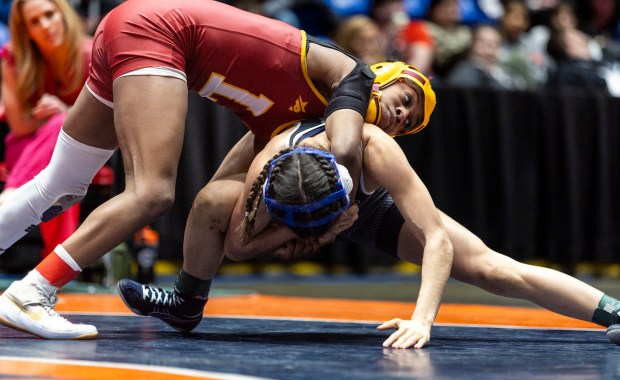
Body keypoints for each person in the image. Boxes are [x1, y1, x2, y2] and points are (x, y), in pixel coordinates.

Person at [0, 0, 436, 340]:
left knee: (62, 184)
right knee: (151, 194)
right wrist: (333, 217)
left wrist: (289, 223)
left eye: (410, 122)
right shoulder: (353, 77)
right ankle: (32, 293)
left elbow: (221, 190)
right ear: (383, 78)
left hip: (132, 28)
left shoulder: (290, 128)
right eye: (404, 100)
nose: (400, 116)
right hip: (158, 35)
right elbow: (343, 148)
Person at [117, 116, 620, 349]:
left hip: (369, 210)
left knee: (492, 268)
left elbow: (437, 241)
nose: (401, 114)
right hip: (292, 209)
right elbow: (237, 245)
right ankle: (188, 297)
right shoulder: (271, 154)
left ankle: (613, 312)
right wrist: (309, 231)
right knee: (210, 199)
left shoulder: (375, 148)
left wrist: (424, 320)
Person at [0, 0, 91, 258]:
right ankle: (53, 270)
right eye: (34, 22)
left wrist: (65, 112)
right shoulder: (12, 58)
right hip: (25, 149)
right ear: (26, 31)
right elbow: (19, 126)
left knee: (62, 166)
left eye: (49, 15)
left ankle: (8, 199)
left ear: (63, 14)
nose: (45, 26)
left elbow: (108, 121)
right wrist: (55, 121)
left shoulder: (92, 54)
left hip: (76, 151)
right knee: (61, 178)